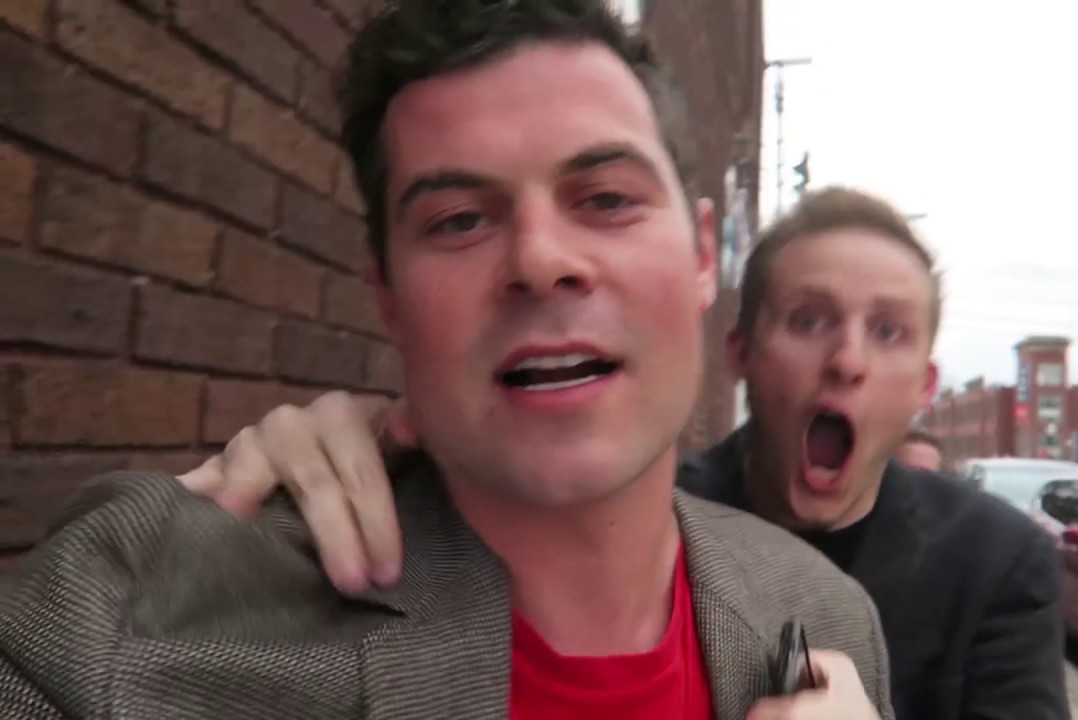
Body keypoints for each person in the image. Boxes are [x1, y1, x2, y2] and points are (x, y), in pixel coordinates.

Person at [0, 3, 894, 719]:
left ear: (702, 256)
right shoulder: (133, 618)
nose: (540, 258)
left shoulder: (825, 612)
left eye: (607, 198)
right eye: (459, 219)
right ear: (386, 292)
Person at [187, 188, 1070, 719]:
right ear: (741, 353)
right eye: (808, 320)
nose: (847, 360)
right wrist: (351, 453)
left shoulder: (999, 564)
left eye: (888, 332)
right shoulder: (630, 510)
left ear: (925, 385)